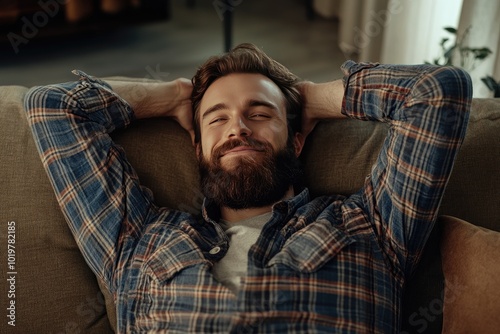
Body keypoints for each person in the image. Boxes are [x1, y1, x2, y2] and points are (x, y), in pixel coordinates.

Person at [24, 43, 472, 333]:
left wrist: (306, 96)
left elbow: (437, 91)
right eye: (217, 118)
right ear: (197, 147)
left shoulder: (372, 226)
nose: (237, 127)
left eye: (259, 114)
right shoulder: (136, 239)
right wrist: (174, 94)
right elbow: (51, 107)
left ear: (297, 140)